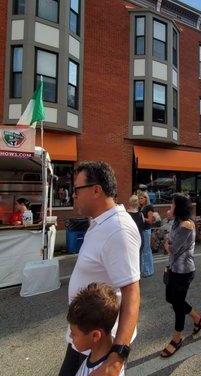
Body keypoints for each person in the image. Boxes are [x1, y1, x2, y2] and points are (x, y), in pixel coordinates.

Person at [59, 161, 141, 376]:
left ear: (96, 190)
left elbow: (132, 293)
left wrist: (116, 358)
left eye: (76, 189)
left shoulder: (118, 229)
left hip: (100, 345)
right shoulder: (99, 223)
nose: (72, 195)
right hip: (83, 337)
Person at [161, 194, 201, 358]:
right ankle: (198, 318)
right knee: (171, 299)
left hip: (184, 271)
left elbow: (171, 247)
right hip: (174, 268)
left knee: (177, 304)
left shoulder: (187, 225)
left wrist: (167, 243)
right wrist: (167, 240)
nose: (170, 207)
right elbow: (167, 240)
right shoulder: (175, 222)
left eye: (172, 205)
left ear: (179, 207)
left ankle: (176, 339)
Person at [67, 283, 124, 375]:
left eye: (73, 333)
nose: (70, 336)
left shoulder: (99, 372)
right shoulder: (108, 354)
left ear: (95, 335)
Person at [137, 191, 155, 277]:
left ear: (145, 198)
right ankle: (143, 270)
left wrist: (142, 218)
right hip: (140, 230)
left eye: (142, 198)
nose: (140, 200)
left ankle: (148, 271)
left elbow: (150, 220)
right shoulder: (140, 207)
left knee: (146, 250)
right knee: (142, 251)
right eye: (139, 198)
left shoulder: (149, 207)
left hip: (146, 230)